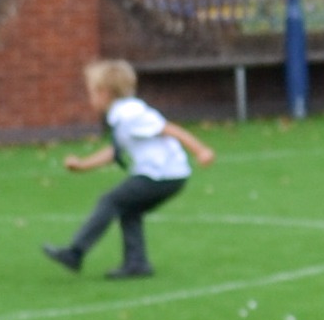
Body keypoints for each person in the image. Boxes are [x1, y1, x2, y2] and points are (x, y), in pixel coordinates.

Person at [45, 59, 215, 278]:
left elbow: (169, 129)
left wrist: (200, 150)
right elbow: (114, 151)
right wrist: (83, 165)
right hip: (169, 175)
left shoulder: (130, 114)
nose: (90, 98)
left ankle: (75, 252)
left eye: (91, 93)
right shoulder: (122, 114)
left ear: (104, 93)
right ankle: (137, 264)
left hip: (162, 174)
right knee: (129, 209)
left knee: (110, 201)